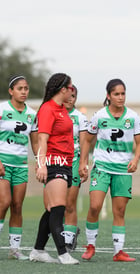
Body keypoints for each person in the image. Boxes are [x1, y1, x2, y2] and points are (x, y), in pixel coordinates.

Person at [80, 78, 140, 262]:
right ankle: (91, 245)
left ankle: (118, 252)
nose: (120, 97)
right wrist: (83, 162)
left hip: (123, 171)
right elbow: (87, 140)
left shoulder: (133, 117)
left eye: (123, 93)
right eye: (116, 94)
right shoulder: (99, 116)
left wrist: (136, 159)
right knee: (95, 206)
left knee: (120, 211)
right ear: (108, 96)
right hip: (101, 167)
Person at [0, 75, 38, 260]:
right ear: (11, 91)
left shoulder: (32, 113)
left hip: (21, 165)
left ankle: (14, 249)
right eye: (20, 88)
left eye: (26, 88)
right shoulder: (0, 109)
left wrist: (40, 161)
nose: (24, 92)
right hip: (1, 164)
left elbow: (35, 142)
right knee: (4, 201)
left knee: (17, 206)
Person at [29, 73, 79, 265]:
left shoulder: (61, 109)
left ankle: (38, 250)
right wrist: (41, 164)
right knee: (59, 208)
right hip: (53, 162)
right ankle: (63, 254)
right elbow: (42, 138)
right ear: (63, 89)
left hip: (65, 163)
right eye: (70, 87)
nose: (72, 91)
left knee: (51, 210)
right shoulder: (48, 109)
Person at [63, 85, 88, 252]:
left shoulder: (80, 118)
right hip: (55, 162)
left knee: (70, 204)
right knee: (52, 205)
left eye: (74, 96)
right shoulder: (52, 114)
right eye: (68, 95)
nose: (70, 99)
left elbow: (85, 143)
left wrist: (83, 164)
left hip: (73, 163)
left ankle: (68, 240)